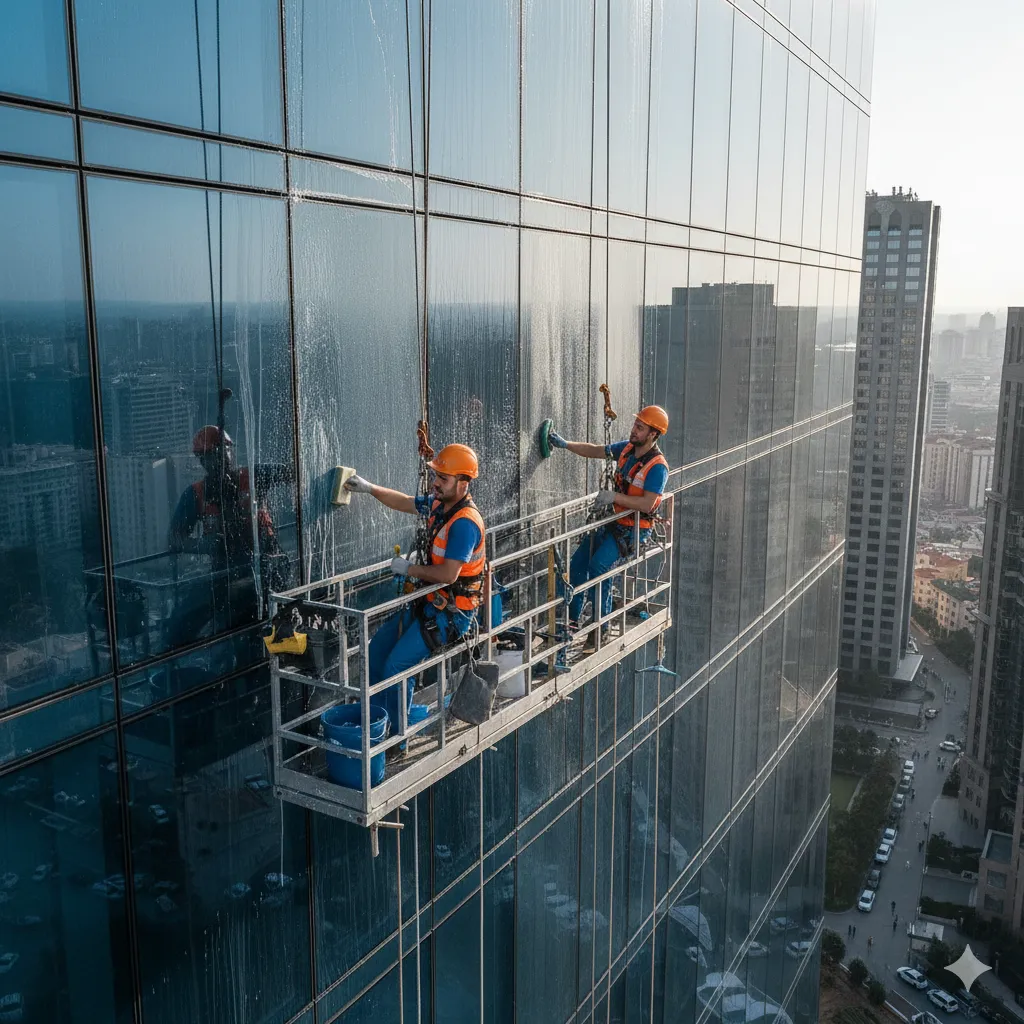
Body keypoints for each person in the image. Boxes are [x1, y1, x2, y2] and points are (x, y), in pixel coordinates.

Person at [345, 444, 486, 733]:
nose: (435, 483)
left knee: (396, 667)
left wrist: (409, 569)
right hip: (430, 603)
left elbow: (448, 574)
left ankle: (398, 738)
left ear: (463, 483)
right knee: (376, 653)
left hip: (452, 614)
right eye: (437, 476)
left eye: (442, 479)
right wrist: (370, 488)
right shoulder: (439, 506)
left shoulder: (465, 524)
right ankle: (380, 722)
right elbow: (404, 502)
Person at [546, 406, 670, 628]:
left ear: (653, 434)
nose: (634, 430)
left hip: (634, 530)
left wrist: (614, 496)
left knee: (599, 567)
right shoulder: (627, 450)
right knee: (577, 565)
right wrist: (566, 445)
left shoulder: (657, 468)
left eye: (640, 428)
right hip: (614, 521)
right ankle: (572, 619)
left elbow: (647, 503)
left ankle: (599, 625)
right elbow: (595, 450)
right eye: (635, 425)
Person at [167, 425, 287, 644]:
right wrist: (205, 545)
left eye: (223, 452)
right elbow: (174, 539)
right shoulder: (196, 494)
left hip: (267, 569)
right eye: (210, 456)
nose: (218, 460)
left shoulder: (252, 475)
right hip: (225, 575)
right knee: (180, 623)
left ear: (231, 451)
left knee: (256, 628)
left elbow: (290, 472)